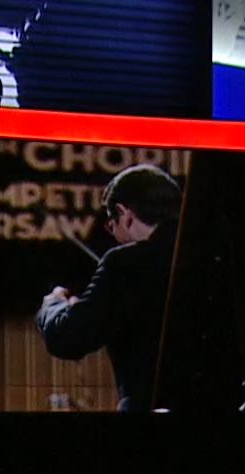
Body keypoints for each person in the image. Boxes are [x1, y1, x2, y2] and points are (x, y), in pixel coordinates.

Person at [36, 163, 181, 412]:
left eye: (111, 224)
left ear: (125, 214)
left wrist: (53, 305)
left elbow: (69, 338)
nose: (114, 236)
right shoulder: (215, 259)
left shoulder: (125, 264)